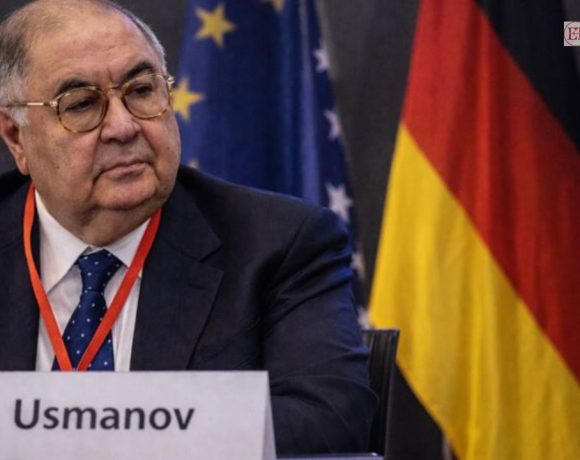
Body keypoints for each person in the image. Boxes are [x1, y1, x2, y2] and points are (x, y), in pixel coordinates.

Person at [0, 0, 376, 454]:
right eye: (81, 105)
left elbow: (330, 419)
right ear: (16, 137)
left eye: (141, 90)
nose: (123, 126)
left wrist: (121, 431)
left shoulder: (278, 246)